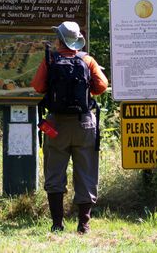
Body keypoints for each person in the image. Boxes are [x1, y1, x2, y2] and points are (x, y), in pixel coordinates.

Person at [31, 21, 108, 234]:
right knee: (86, 172)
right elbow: (102, 86)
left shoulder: (50, 60)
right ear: (76, 41)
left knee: (55, 172)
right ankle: (84, 224)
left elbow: (37, 87)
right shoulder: (87, 60)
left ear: (59, 40)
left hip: (56, 124)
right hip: (84, 123)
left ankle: (57, 223)